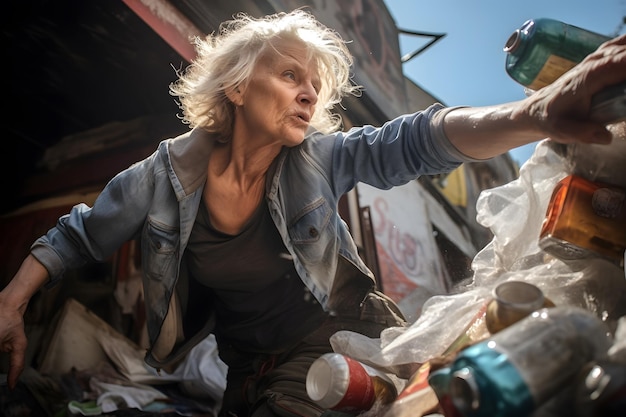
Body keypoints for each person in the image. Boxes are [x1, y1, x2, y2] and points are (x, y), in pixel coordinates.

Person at [1, 8, 625, 417]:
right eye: (290, 74)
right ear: (238, 87)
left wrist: (536, 113)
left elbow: (414, 140)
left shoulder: (317, 160)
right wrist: (10, 303)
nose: (309, 93)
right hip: (244, 369)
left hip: (342, 343)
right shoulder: (162, 178)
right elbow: (79, 234)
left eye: (316, 85)